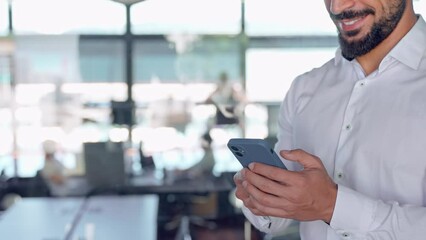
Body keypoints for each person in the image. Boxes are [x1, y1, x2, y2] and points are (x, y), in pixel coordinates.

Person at [234, 0, 426, 239]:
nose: (337, 7)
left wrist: (333, 206)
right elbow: (277, 219)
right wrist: (263, 196)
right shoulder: (305, 89)